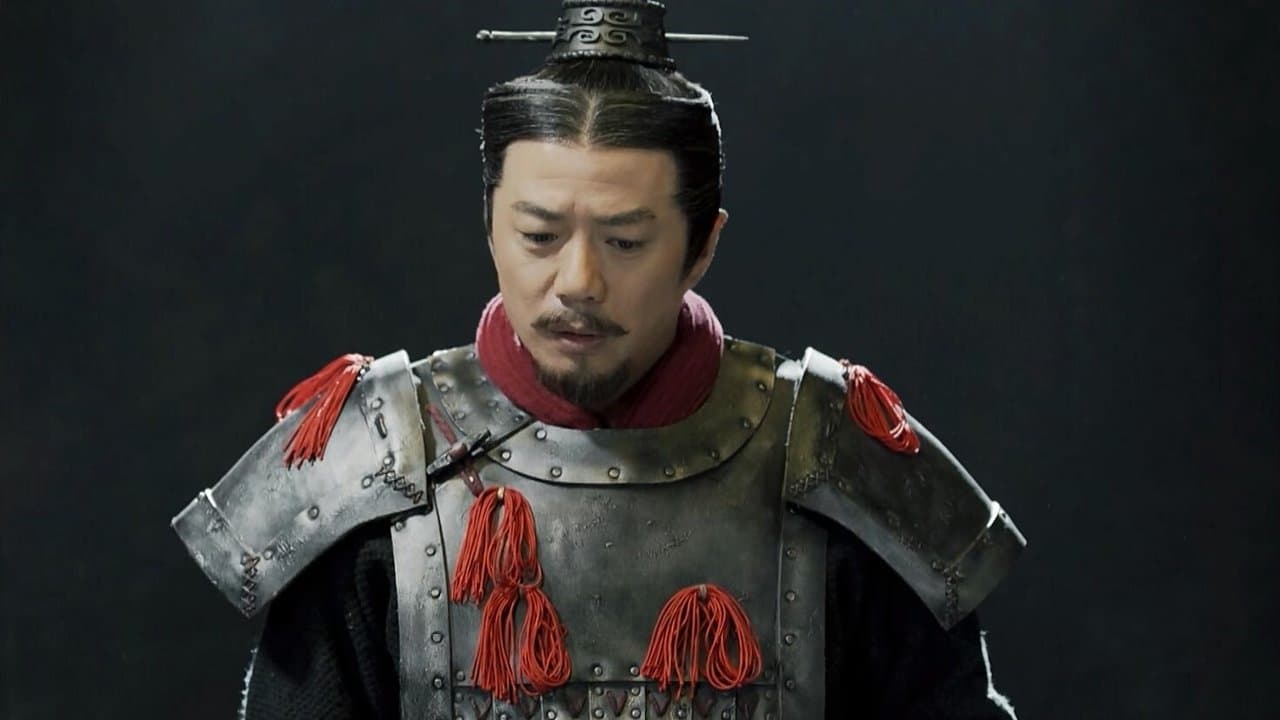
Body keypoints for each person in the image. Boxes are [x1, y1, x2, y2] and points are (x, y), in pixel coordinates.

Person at [172, 2, 1026, 718]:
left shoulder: (830, 462)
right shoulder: (375, 466)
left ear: (702, 246)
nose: (578, 282)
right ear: (490, 227)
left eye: (625, 241)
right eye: (539, 236)